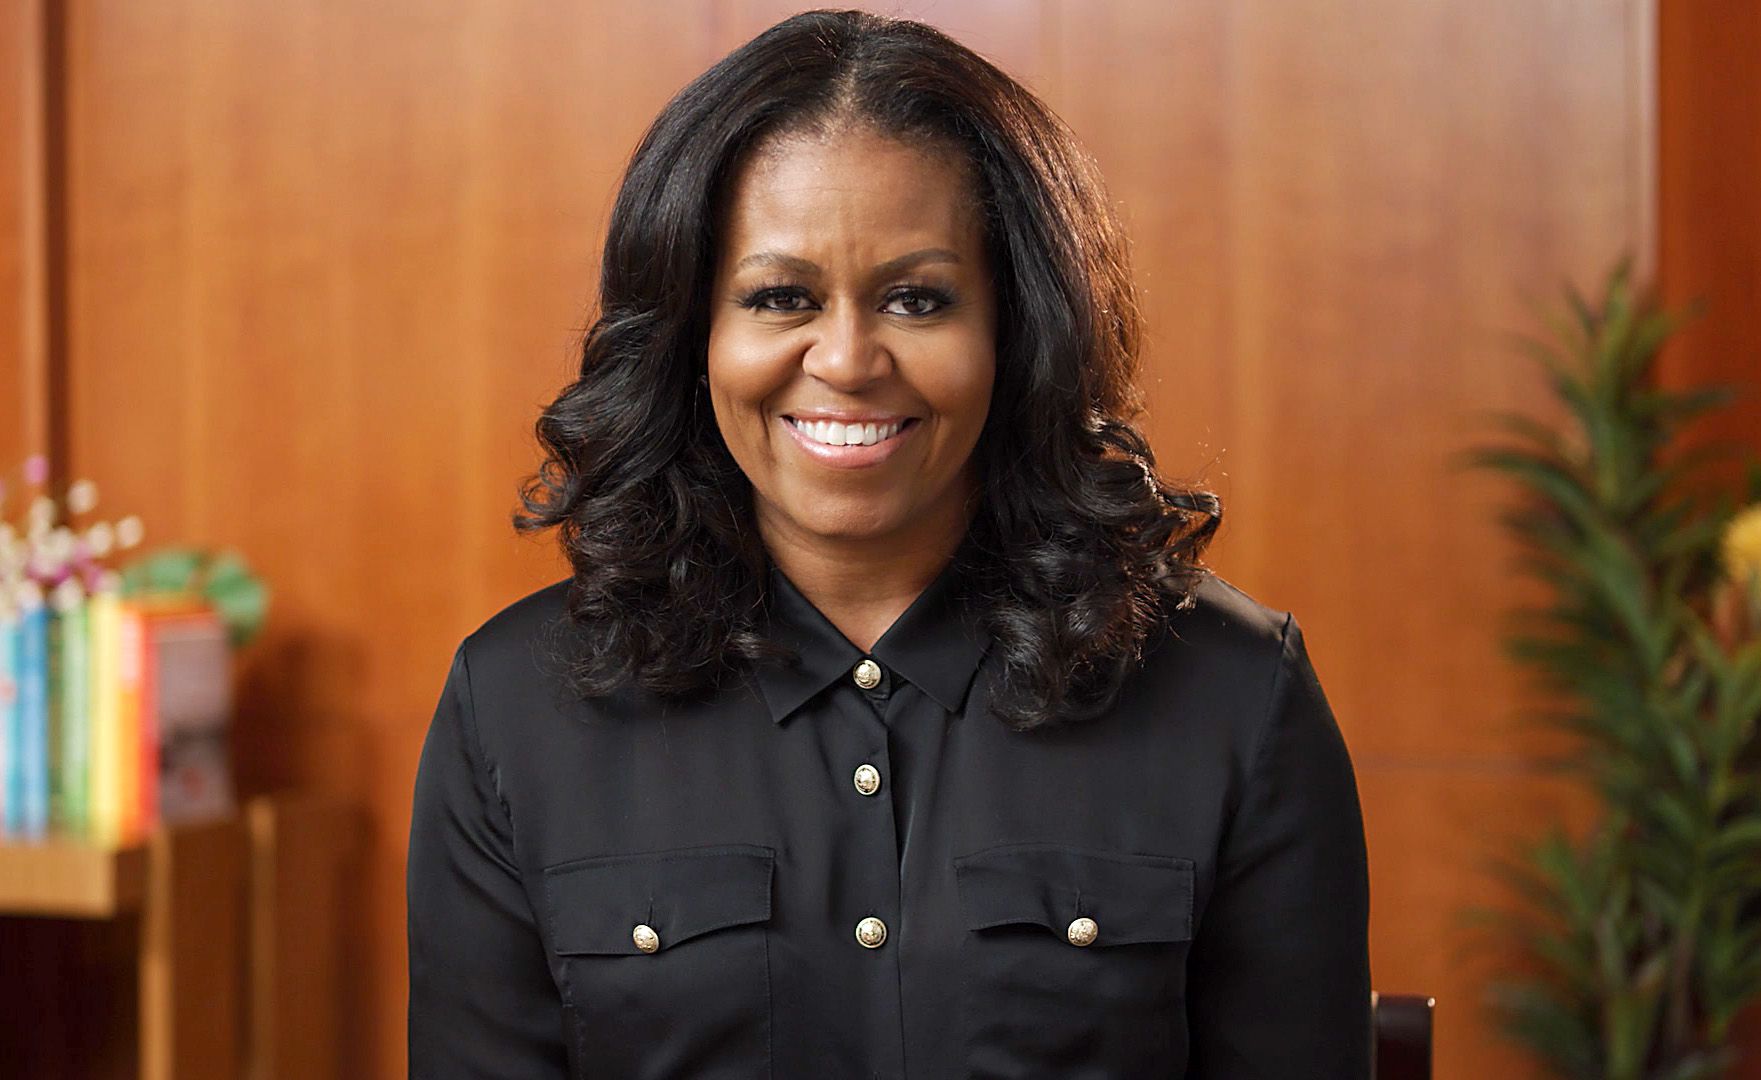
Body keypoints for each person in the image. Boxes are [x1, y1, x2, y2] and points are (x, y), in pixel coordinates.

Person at [406, 8, 1371, 1079]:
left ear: (1017, 330)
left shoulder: (1234, 697)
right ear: (692, 336)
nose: (849, 358)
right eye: (781, 298)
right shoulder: (513, 709)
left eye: (918, 298)